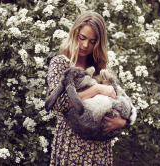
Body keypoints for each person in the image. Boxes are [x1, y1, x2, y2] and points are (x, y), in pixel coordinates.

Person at [47, 11, 127, 166]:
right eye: (82, 38)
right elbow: (58, 103)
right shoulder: (60, 63)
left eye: (92, 41)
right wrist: (96, 89)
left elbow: (119, 102)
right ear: (74, 32)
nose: (85, 45)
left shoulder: (99, 68)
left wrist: (121, 122)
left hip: (100, 149)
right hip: (71, 144)